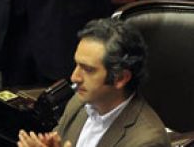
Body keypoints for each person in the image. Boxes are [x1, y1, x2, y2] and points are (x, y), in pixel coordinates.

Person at [17, 18, 169, 147]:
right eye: (76, 64)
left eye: (88, 69)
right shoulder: (78, 102)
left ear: (120, 78)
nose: (74, 77)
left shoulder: (147, 140)